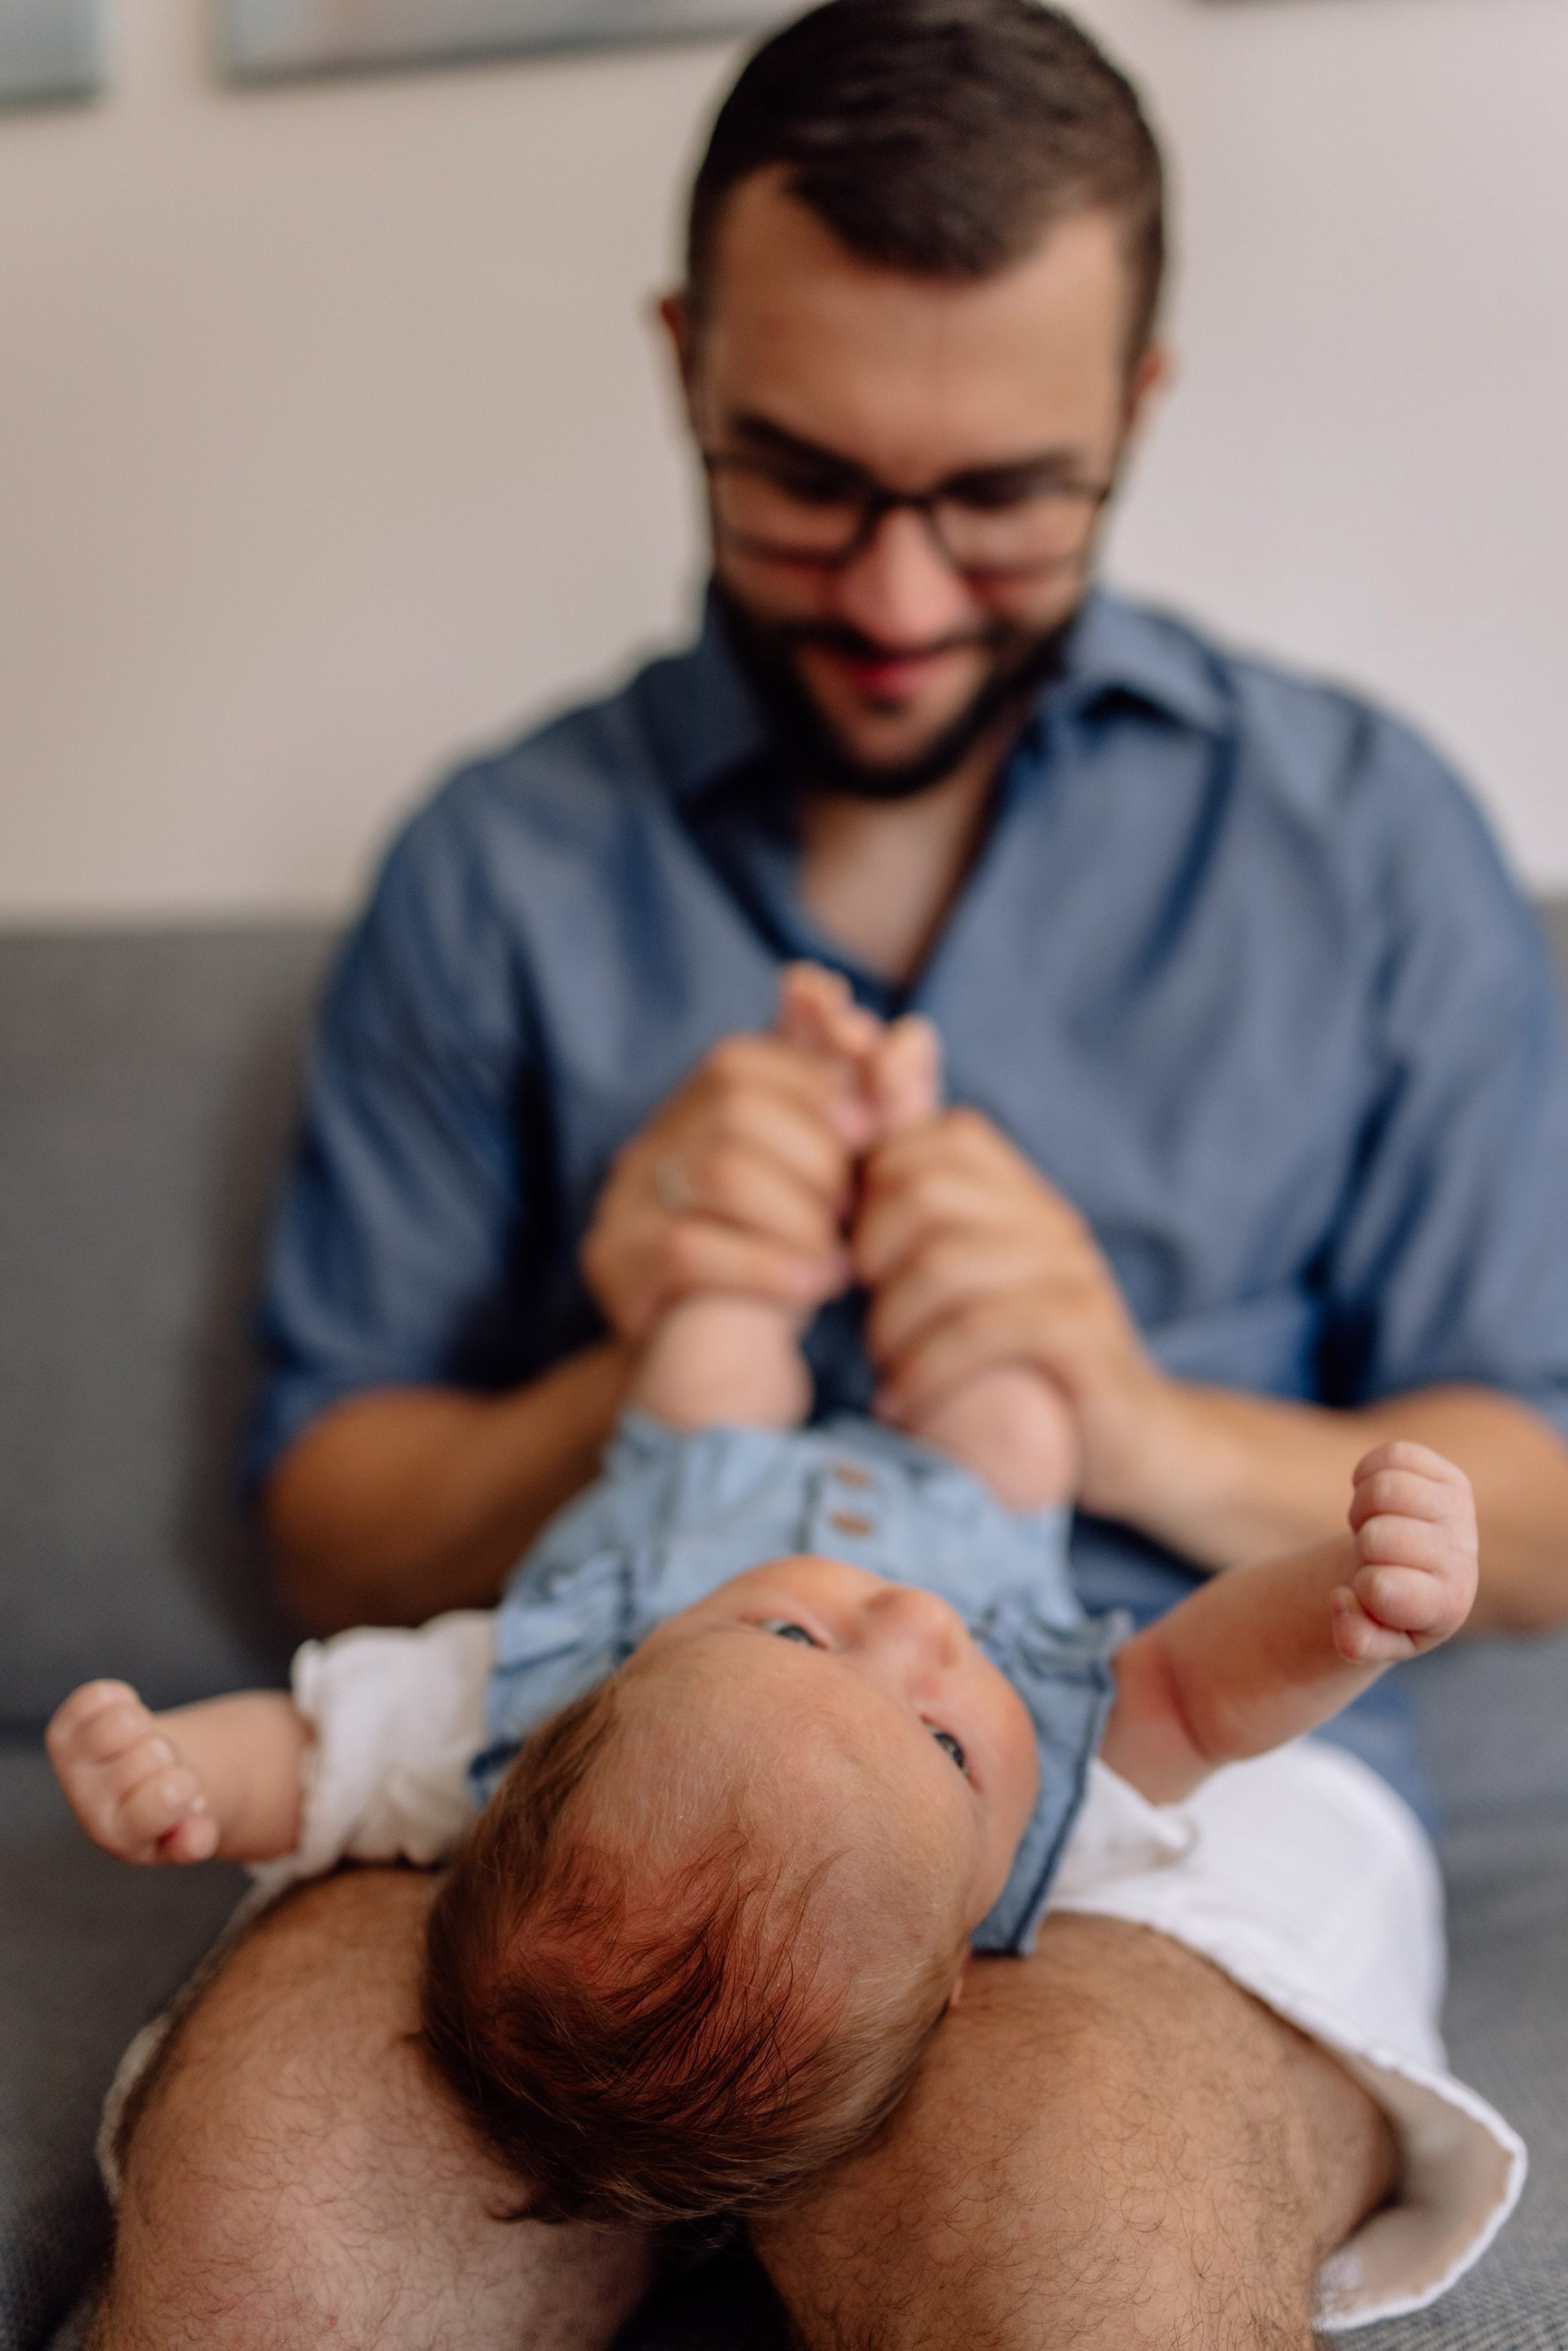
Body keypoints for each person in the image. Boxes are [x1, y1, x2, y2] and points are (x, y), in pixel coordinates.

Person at [85, 0, 1568, 2343]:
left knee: (1068, 2226)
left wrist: (1134, 1415)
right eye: (802, 478)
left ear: (1138, 413)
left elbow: (1548, 1496)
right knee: (288, 2225)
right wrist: (624, 1350)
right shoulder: (494, 869)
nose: (894, 599)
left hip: (1162, 1769)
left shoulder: (1366, 846)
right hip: (585, 1734)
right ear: (686, 366)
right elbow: (335, 1519)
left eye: (1001, 498)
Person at [49, 975, 1485, 2238]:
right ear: (955, 1968)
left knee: (710, 1342)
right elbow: (1194, 1693)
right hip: (961, 1481)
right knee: (1015, 1404)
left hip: (704, 1467)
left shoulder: (517, 1704)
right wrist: (1341, 1605)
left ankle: (804, 1124)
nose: (913, 1628)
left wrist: (181, 1781)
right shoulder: (1046, 1818)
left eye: (791, 1639)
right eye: (943, 1745)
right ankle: (910, 1129)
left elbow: (322, 1760)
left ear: (593, 1713)